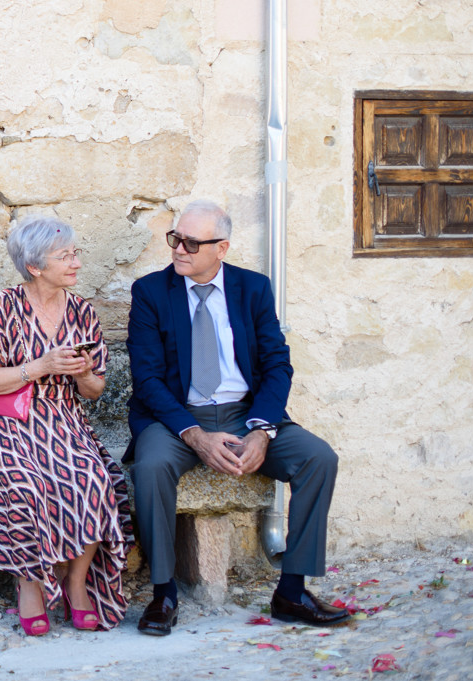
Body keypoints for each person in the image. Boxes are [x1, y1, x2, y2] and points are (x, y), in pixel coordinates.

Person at [126, 199, 348, 635]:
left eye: (191, 242)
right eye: (175, 239)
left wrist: (263, 430)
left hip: (246, 413)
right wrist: (193, 435)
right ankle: (163, 592)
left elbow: (277, 365)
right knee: (151, 467)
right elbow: (147, 380)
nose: (179, 250)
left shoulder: (253, 289)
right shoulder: (151, 292)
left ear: (221, 248)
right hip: (175, 417)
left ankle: (291, 590)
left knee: (319, 458)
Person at [0, 215, 133, 634]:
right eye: (64, 256)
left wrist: (82, 373)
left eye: (75, 253)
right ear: (35, 266)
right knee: (25, 483)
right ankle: (30, 583)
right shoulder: (4, 306)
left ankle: (75, 583)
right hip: (9, 422)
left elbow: (94, 391)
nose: (75, 262)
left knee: (94, 479)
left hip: (64, 418)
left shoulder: (83, 311)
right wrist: (41, 365)